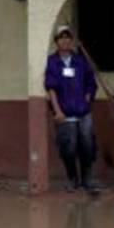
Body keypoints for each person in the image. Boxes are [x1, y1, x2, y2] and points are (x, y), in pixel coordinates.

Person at [43, 25, 99, 193]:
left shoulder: (80, 61)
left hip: (83, 111)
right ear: (56, 42)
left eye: (68, 37)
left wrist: (88, 96)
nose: (65, 40)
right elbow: (51, 88)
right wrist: (57, 111)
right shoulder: (52, 62)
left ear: (72, 40)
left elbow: (91, 82)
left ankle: (87, 179)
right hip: (64, 112)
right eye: (61, 37)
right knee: (68, 147)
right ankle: (72, 178)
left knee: (87, 145)